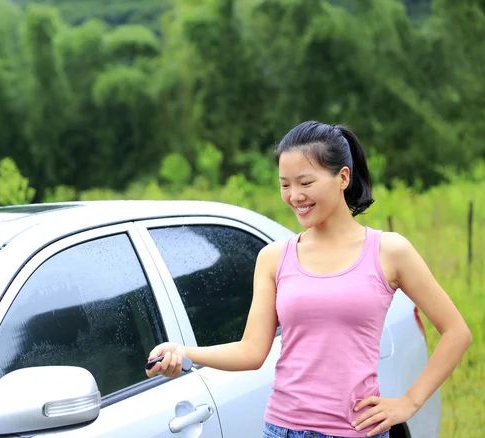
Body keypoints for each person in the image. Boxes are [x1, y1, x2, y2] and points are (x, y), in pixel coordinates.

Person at [145, 121, 472, 438]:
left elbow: (457, 332)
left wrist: (409, 402)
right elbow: (252, 351)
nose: (294, 196)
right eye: (285, 184)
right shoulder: (274, 257)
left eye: (305, 182)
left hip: (356, 432)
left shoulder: (389, 251)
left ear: (343, 177)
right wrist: (186, 352)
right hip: (283, 429)